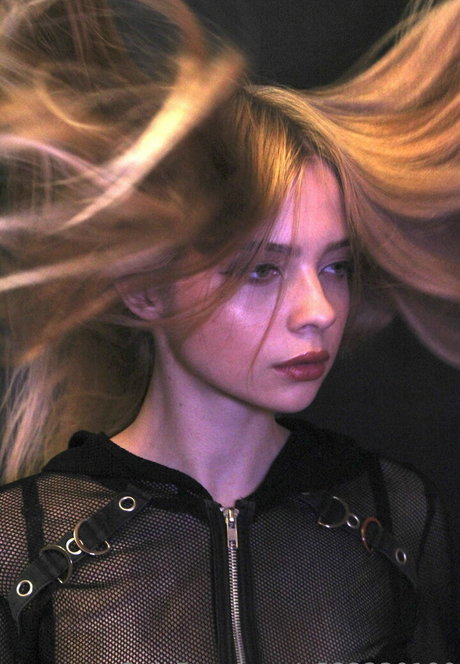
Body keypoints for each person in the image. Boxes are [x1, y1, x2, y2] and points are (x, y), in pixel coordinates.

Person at [0, 0, 458, 662]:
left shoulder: (396, 514)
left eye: (336, 266)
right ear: (145, 287)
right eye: (261, 269)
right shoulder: (24, 542)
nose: (320, 309)